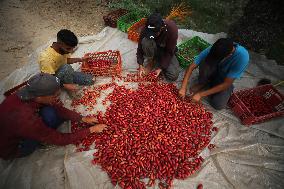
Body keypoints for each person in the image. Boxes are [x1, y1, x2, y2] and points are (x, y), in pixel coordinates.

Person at [0, 73, 107, 160]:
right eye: (54, 95)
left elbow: (56, 107)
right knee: (49, 121)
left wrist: (82, 118)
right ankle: (38, 142)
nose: (57, 98)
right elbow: (59, 139)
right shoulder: (25, 120)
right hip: (15, 147)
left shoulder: (28, 93)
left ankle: (39, 133)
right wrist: (91, 130)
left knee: (52, 111)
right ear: (41, 97)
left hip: (15, 126)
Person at [179, 38, 249, 110]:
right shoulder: (218, 47)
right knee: (204, 61)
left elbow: (226, 84)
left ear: (228, 55)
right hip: (213, 69)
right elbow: (192, 66)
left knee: (218, 105)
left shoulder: (242, 57)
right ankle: (203, 83)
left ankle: (212, 85)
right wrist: (183, 87)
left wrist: (200, 94)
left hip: (224, 78)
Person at [136, 12, 181, 81]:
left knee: (173, 75)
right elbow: (140, 48)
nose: (152, 35)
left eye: (155, 33)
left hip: (165, 51)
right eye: (150, 33)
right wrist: (140, 65)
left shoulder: (172, 29)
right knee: (145, 41)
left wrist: (160, 68)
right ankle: (151, 61)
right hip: (152, 48)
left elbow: (169, 52)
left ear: (161, 28)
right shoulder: (146, 28)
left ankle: (158, 63)